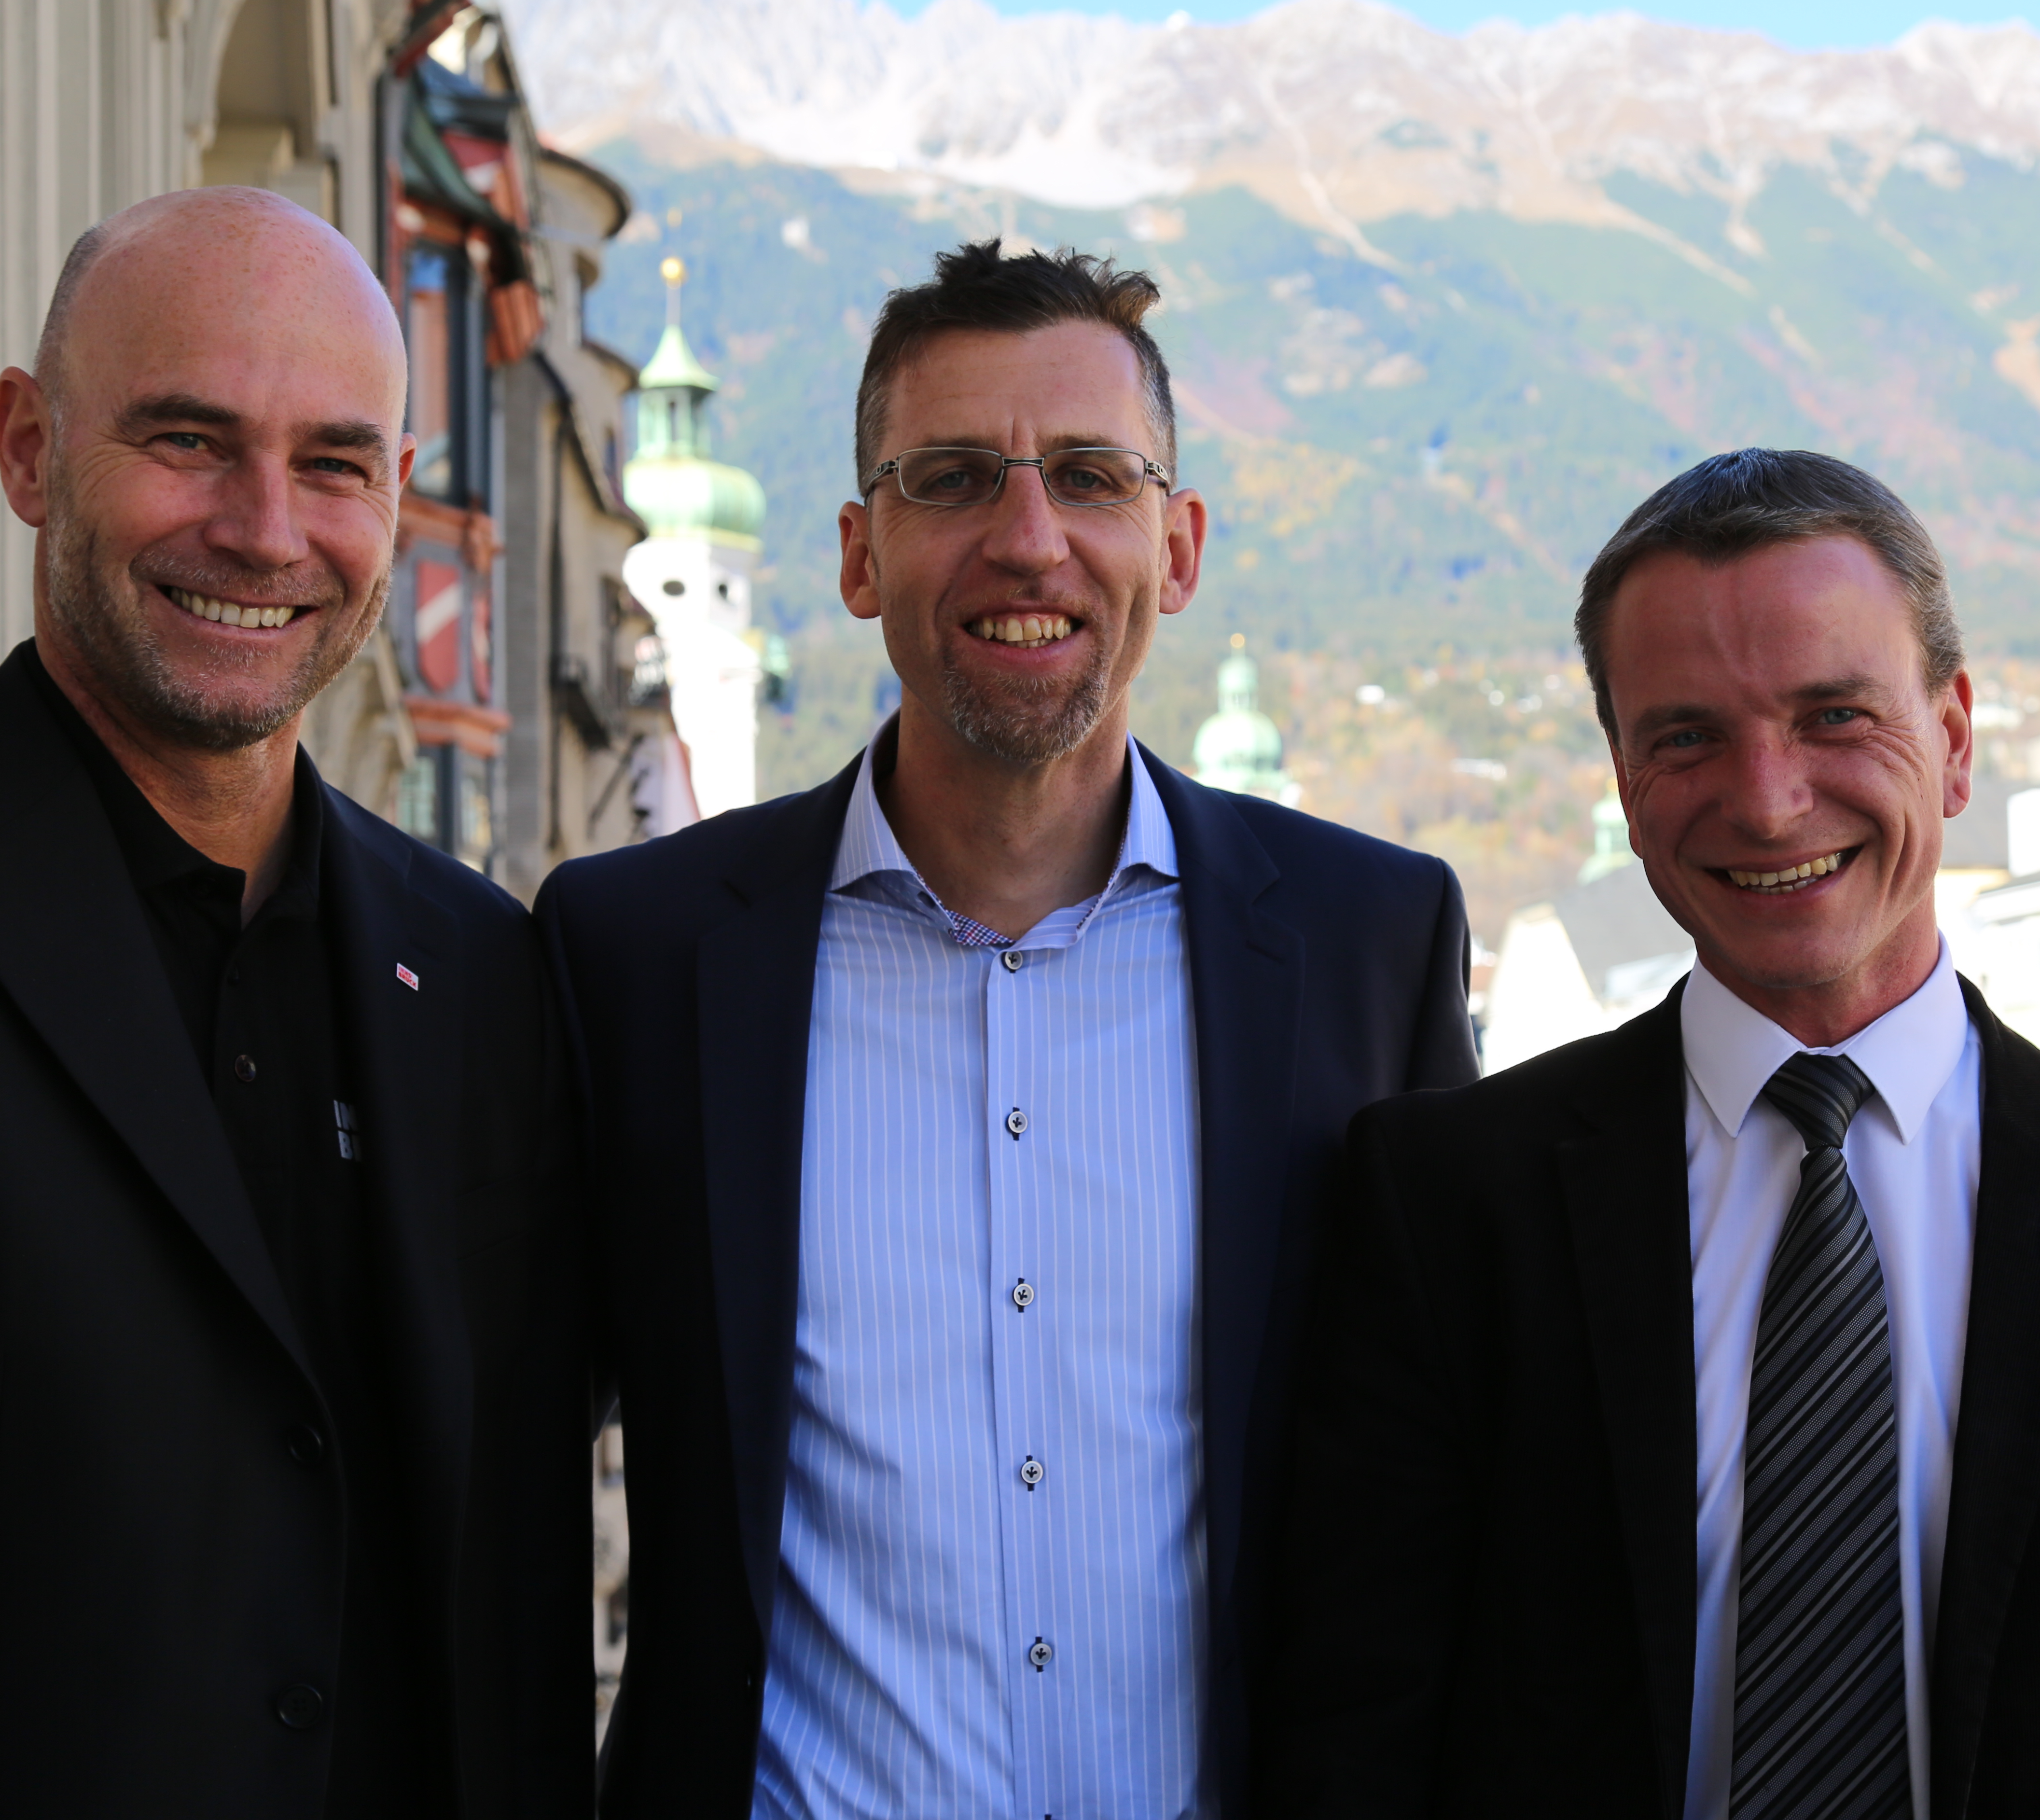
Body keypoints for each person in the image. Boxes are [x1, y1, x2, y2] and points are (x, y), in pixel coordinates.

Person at [1258, 448, 2040, 1818]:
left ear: (1955, 739)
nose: (1769, 798)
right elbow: (1350, 1738)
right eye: (1687, 735)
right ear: (1621, 775)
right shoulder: (1444, 1204)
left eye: (1834, 716)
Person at [538, 241, 1478, 1818]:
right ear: (858, 552)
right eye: (957, 478)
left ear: (1175, 548)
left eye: (1093, 479)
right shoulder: (634, 956)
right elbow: (489, 1461)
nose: (1028, 540)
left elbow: (1446, 1482)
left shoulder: (1367, 945)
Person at [0, 188, 589, 1819]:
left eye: (335, 462)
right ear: (26, 449)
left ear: (399, 497)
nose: (268, 530)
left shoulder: (484, 968)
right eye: (189, 440)